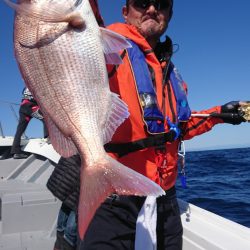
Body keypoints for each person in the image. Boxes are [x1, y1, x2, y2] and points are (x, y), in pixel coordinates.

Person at [48, 0, 247, 249]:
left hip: (164, 200)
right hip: (113, 199)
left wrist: (219, 115)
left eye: (161, 4)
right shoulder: (107, 45)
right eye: (142, 3)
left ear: (169, 15)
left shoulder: (171, 73)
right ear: (125, 12)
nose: (152, 9)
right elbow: (77, 15)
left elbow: (177, 129)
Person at [11, 87, 48, 159]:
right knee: (46, 119)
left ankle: (16, 152)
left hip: (22, 107)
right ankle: (48, 139)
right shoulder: (36, 85)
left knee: (20, 130)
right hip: (31, 107)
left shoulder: (25, 87)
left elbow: (24, 95)